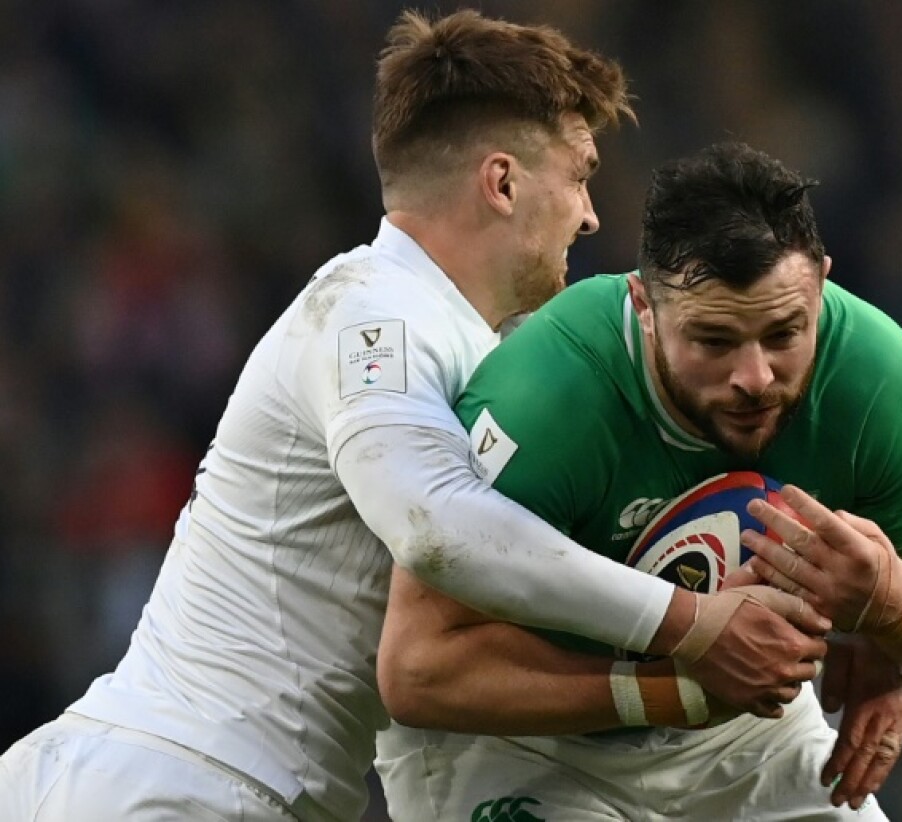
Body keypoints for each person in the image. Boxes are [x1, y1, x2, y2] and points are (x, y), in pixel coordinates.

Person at [0, 15, 826, 822]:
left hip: (160, 777)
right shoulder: (374, 314)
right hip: (179, 783)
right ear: (502, 183)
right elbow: (437, 527)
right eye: (579, 175)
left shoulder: (471, 347)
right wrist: (690, 624)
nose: (590, 215)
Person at [374, 141, 902, 820]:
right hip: (521, 741)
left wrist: (890, 605)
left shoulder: (871, 371)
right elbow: (418, 670)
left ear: (821, 286)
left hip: (739, 728)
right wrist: (673, 690)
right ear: (643, 304)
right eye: (714, 341)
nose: (755, 378)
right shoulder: (550, 400)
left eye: (783, 334)